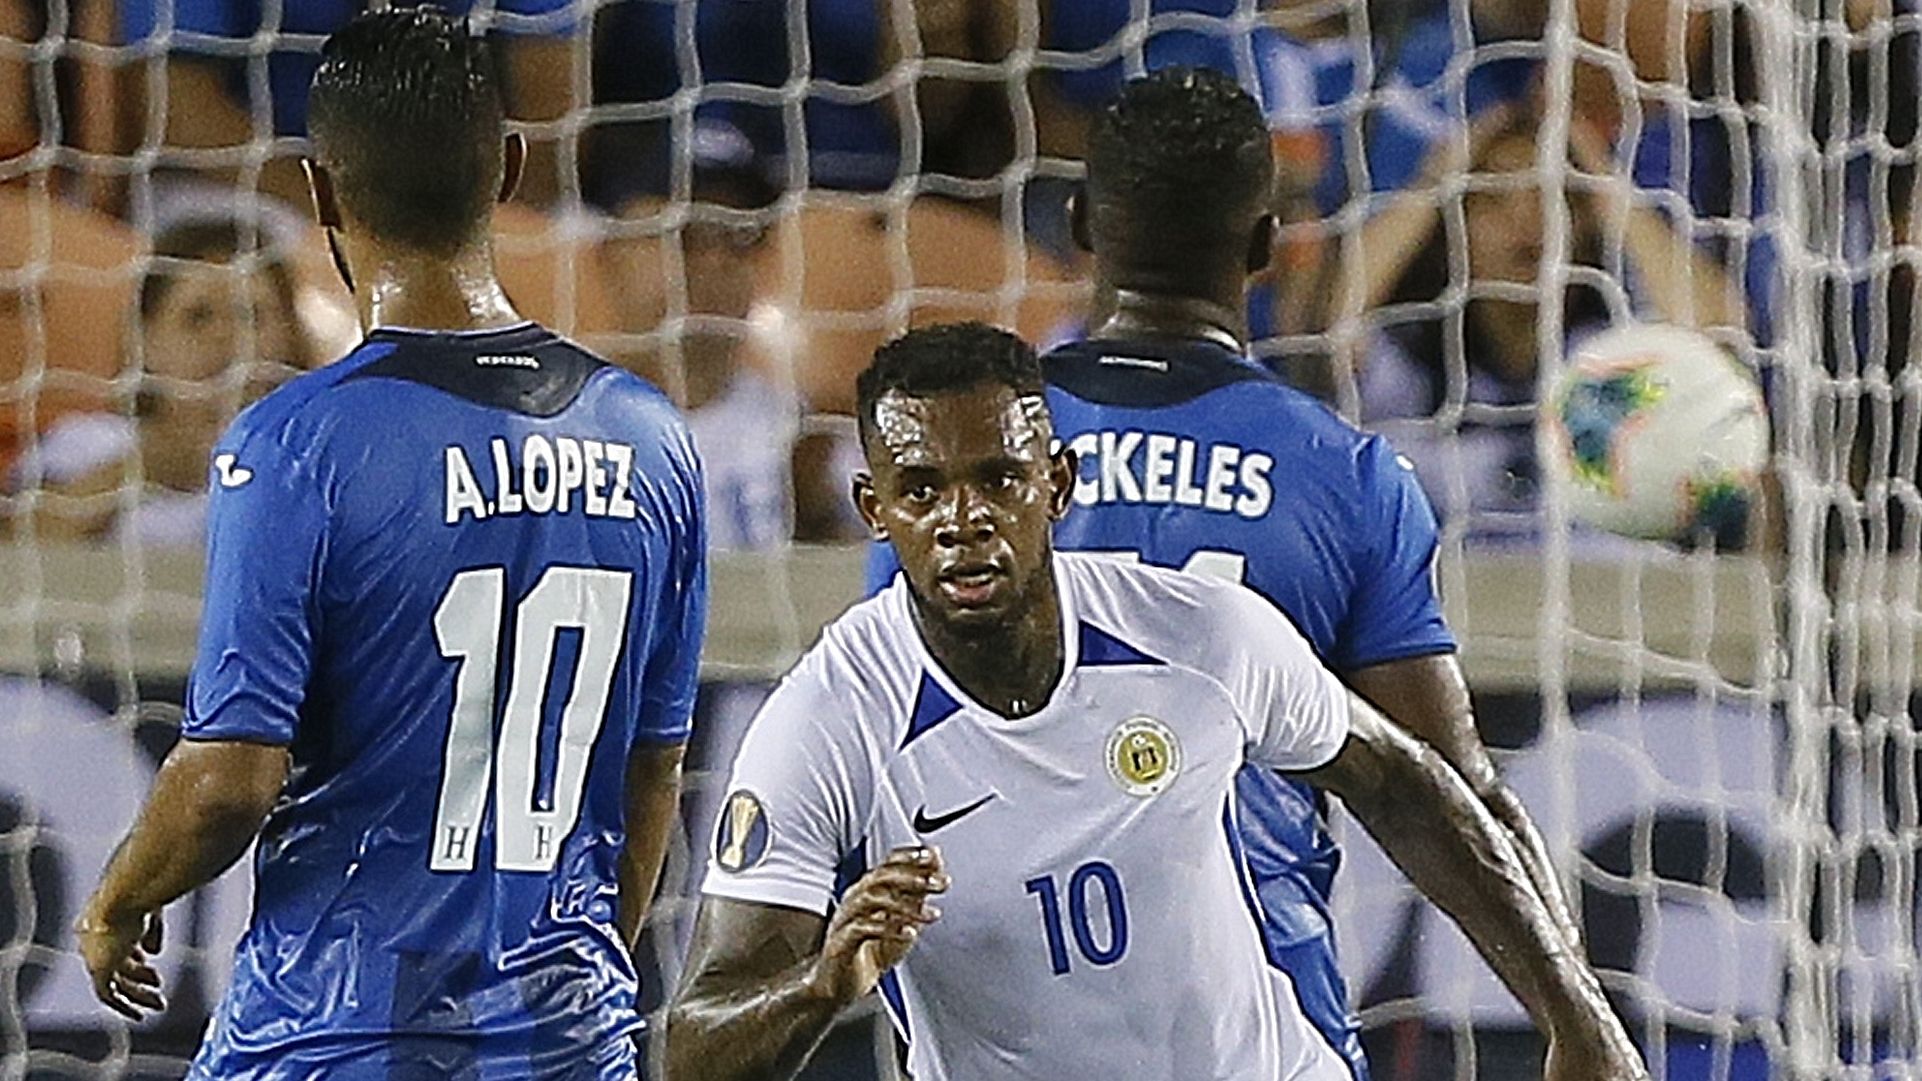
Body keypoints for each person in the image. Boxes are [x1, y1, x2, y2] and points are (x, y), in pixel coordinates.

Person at [863, 69, 1603, 1075]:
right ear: (1262, 246)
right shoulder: (1342, 476)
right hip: (1257, 1025)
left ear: (1080, 225)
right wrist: (1577, 1015)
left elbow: (884, 747)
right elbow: (1446, 790)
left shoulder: (956, 461)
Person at [667, 322, 1643, 1081]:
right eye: (920, 490)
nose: (961, 520)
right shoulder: (826, 721)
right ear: (875, 512)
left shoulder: (1196, 630)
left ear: (1054, 485)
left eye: (995, 479)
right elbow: (690, 1048)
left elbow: (1401, 782)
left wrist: (1572, 1012)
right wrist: (822, 982)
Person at [74, 10, 707, 1080]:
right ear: (508, 167)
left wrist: (116, 900)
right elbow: (652, 780)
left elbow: (229, 779)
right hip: (567, 1041)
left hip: (335, 1039)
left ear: (318, 192)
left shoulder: (296, 443)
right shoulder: (653, 440)